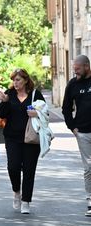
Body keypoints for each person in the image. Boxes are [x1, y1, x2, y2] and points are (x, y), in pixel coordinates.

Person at [0, 68, 46, 214]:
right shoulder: (9, 94)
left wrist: (36, 113)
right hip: (12, 137)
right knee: (13, 167)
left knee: (29, 170)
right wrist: (5, 102)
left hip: (31, 138)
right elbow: (1, 115)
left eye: (18, 80)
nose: (15, 83)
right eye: (13, 80)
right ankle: (16, 191)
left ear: (25, 80)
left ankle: (26, 201)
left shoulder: (35, 95)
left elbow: (45, 112)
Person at [62, 55, 91, 217]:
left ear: (87, 66)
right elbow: (66, 108)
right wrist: (72, 127)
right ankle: (90, 200)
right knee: (89, 167)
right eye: (74, 70)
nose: (75, 72)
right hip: (83, 132)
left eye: (78, 69)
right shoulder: (73, 84)